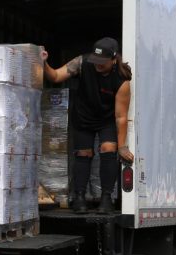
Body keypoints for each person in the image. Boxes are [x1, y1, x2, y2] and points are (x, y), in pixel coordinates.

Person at [42, 37, 133, 214]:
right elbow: (56, 76)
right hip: (84, 116)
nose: (98, 65)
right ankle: (80, 197)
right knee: (84, 153)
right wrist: (44, 62)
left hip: (107, 119)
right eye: (96, 61)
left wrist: (122, 146)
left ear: (114, 60)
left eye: (103, 62)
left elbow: (121, 116)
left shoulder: (122, 79)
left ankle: (106, 198)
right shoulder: (82, 62)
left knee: (109, 148)